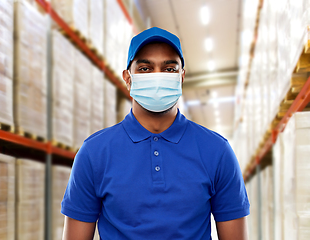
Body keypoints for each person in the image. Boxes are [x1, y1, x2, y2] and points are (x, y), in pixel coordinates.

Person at [60, 27, 250, 239]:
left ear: (182, 76)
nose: (157, 77)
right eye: (145, 68)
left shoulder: (217, 151)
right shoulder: (94, 153)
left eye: (169, 69)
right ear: (127, 77)